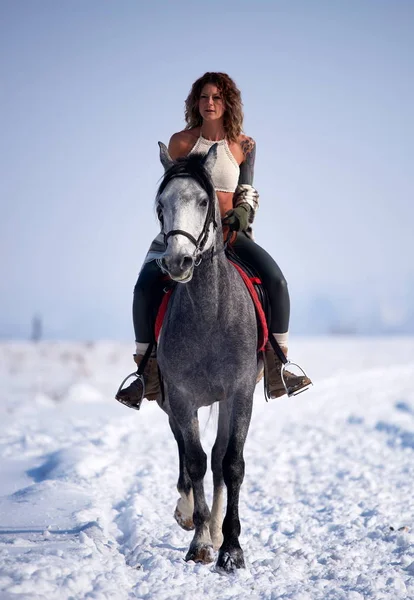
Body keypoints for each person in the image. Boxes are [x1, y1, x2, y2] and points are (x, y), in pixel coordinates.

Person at [116, 72, 311, 408]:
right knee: (144, 286)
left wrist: (243, 213)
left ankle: (279, 365)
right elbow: (172, 191)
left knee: (276, 281)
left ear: (228, 103)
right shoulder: (180, 142)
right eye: (204, 97)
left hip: (230, 234)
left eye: (217, 98)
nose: (209, 103)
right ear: (196, 102)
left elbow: (247, 189)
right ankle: (145, 371)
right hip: (184, 233)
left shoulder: (244, 145)